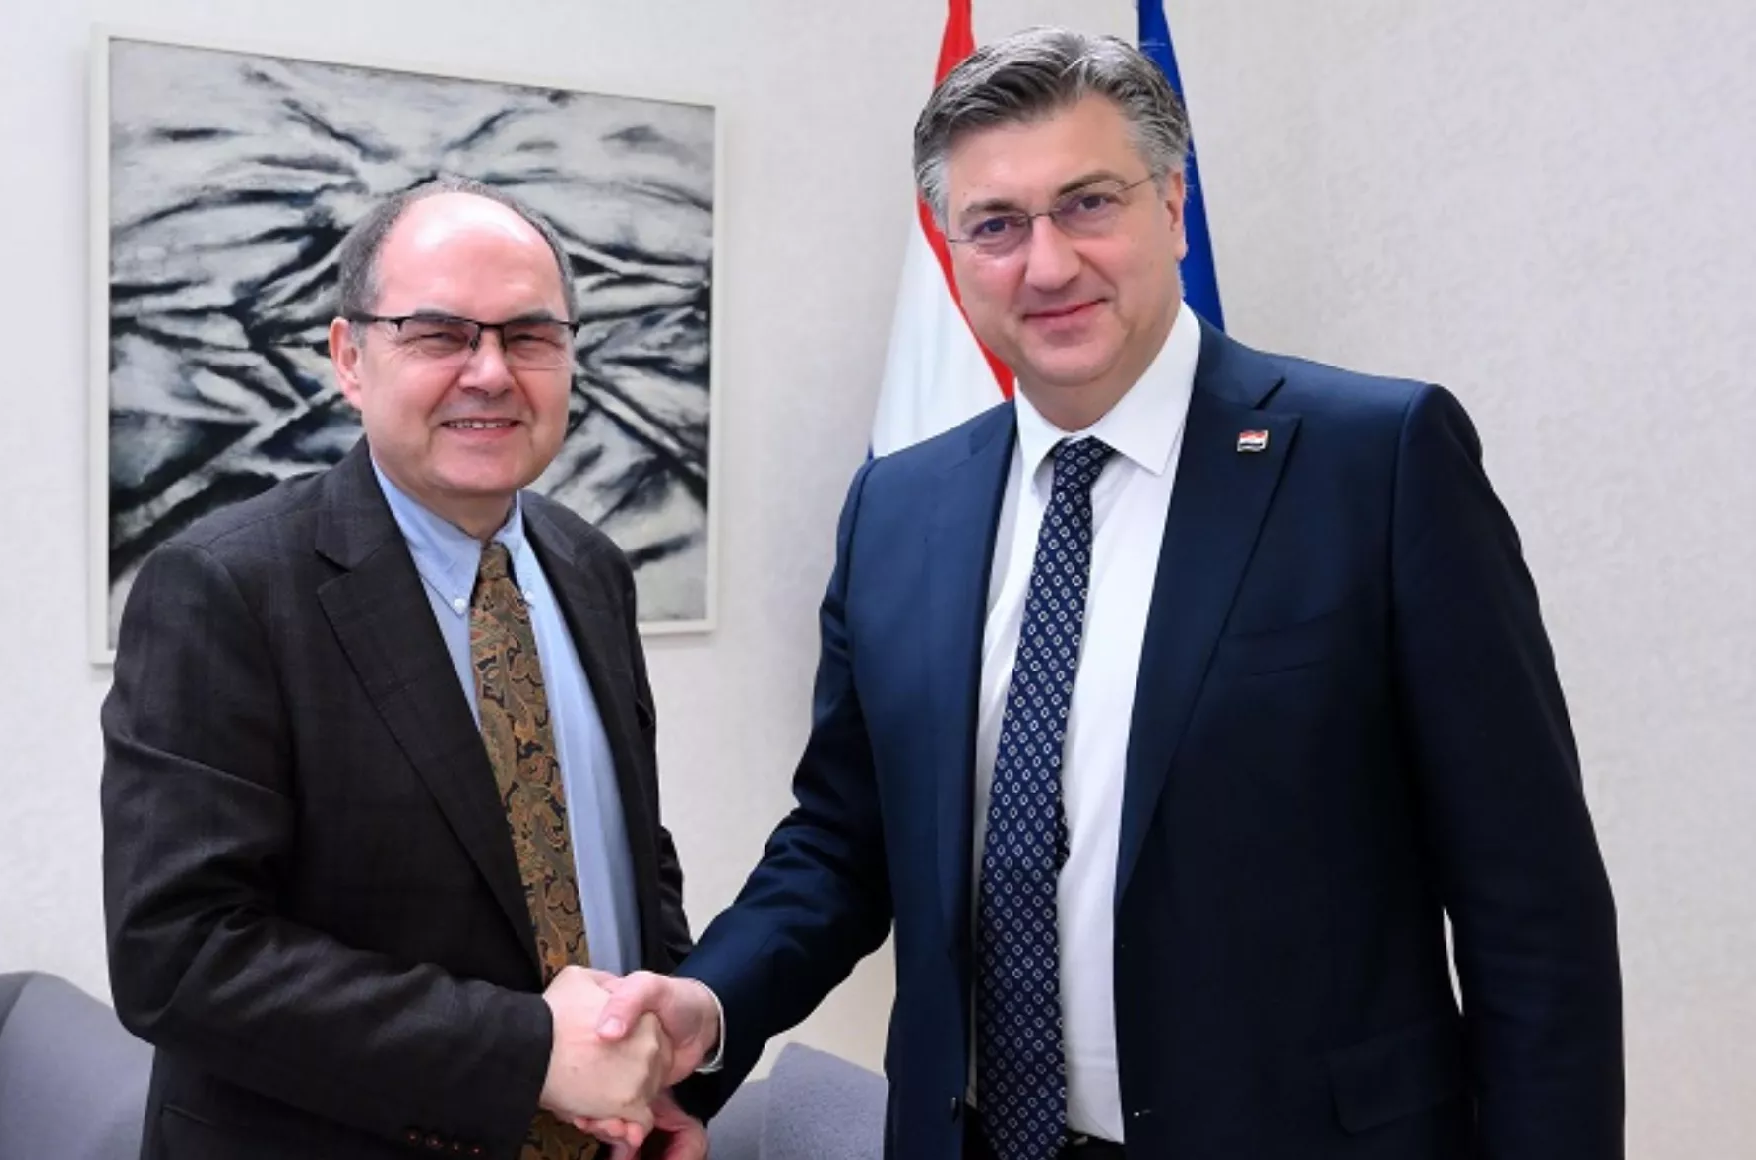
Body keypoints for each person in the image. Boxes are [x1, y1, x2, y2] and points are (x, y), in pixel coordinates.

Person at [594, 26, 1624, 1160]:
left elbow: (1534, 909)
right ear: (952, 251)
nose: (1046, 264)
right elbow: (845, 839)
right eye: (996, 224)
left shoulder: (1375, 463)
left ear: (1172, 206)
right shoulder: (899, 507)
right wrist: (712, 1004)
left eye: (1087, 203)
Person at [101, 178, 706, 1160]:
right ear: (351, 358)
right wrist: (527, 1051)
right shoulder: (224, 587)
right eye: (438, 334)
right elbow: (180, 954)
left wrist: (661, 1067)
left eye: (530, 335)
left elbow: (629, 853)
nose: (490, 373)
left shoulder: (591, 568)